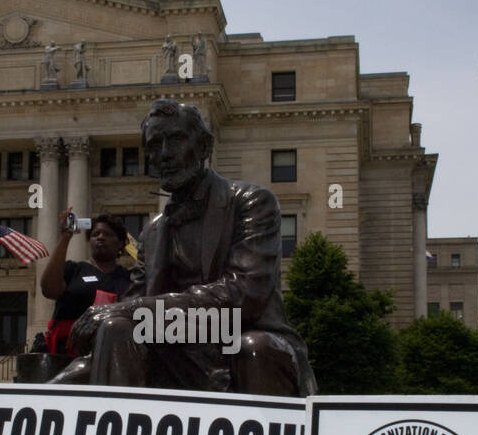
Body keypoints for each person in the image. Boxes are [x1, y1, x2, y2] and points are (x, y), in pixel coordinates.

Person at [57, 99, 316, 396]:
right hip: (170, 346)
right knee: (116, 329)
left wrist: (132, 309)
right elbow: (127, 311)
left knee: (254, 347)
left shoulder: (250, 202)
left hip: (235, 334)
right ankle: (118, 425)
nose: (165, 153)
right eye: (154, 145)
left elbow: (244, 294)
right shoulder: (152, 232)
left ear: (204, 146)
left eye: (176, 139)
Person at [40, 209, 131, 356]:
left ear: (120, 243)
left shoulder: (128, 278)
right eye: (95, 234)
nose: (100, 237)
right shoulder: (73, 270)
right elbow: (49, 290)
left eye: (107, 234)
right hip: (69, 353)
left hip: (112, 352)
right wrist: (65, 237)